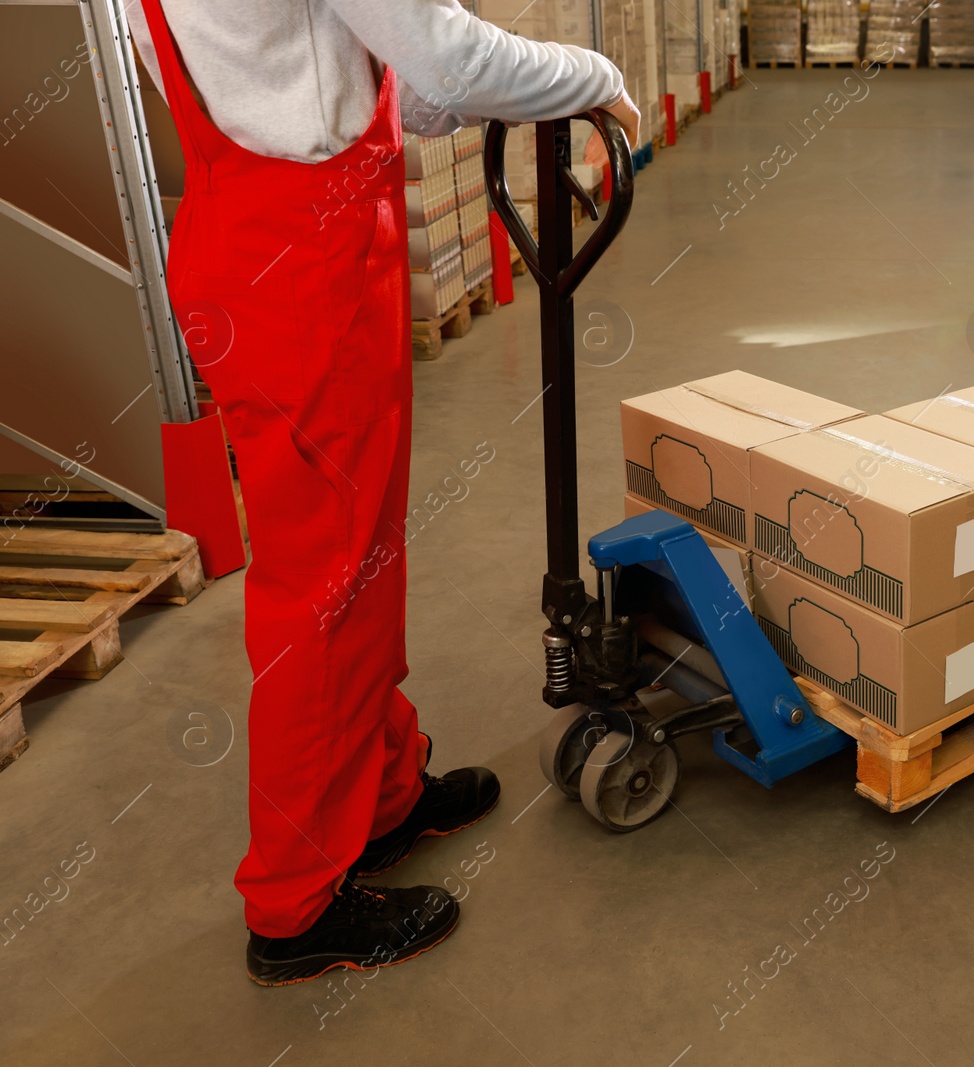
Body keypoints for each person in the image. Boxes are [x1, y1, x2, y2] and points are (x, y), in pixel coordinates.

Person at [126, 0, 639, 986]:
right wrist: (591, 77)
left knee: (358, 559)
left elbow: (318, 58)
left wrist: (438, 99)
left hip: (260, 237)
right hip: (303, 260)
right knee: (321, 588)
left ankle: (383, 794)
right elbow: (440, 55)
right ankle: (295, 901)